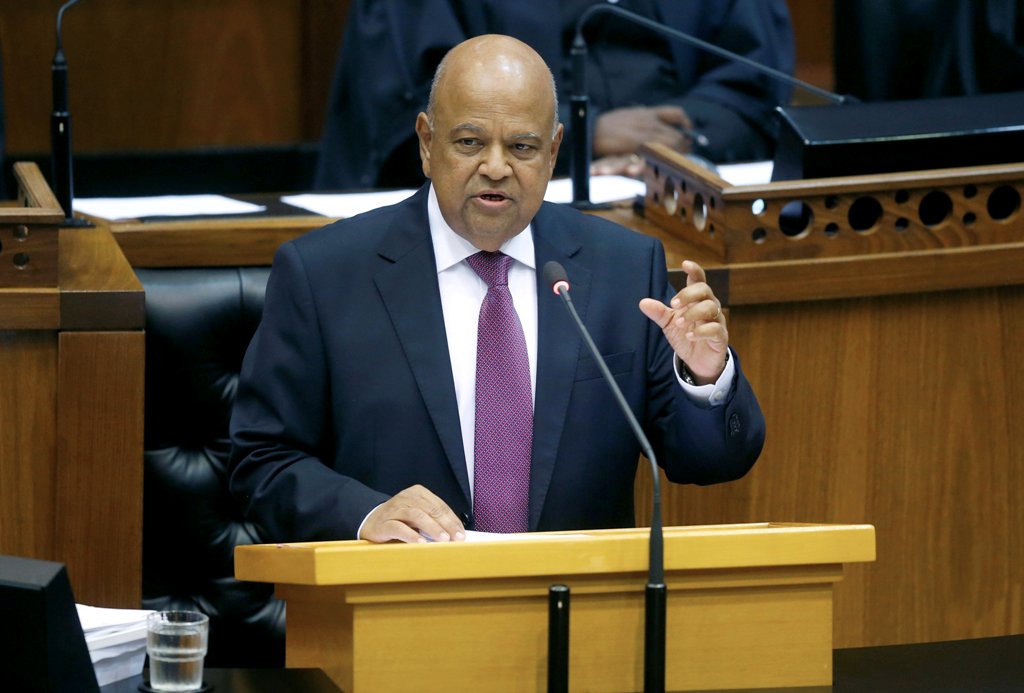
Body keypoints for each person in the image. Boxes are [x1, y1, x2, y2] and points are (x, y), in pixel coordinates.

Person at [229, 34, 765, 544]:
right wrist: (366, 514)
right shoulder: (326, 275)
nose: (495, 167)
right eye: (469, 143)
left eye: (521, 146)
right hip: (400, 594)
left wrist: (706, 376)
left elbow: (711, 462)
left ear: (553, 151)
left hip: (577, 597)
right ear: (426, 142)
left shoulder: (621, 269)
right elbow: (261, 464)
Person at [313, 0, 795, 190]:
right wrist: (584, 134)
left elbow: (755, 79)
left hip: (684, 184)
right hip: (504, 203)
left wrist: (681, 139)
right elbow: (421, 97)